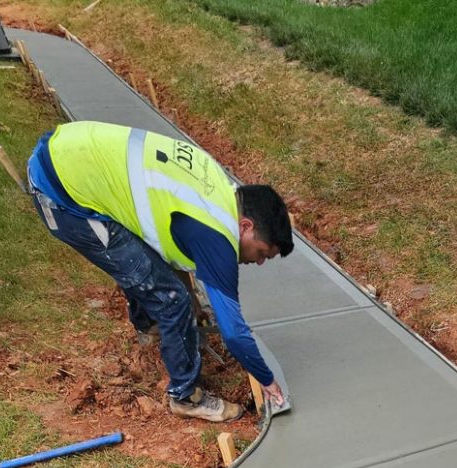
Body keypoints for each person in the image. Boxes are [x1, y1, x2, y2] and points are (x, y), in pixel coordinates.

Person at [26, 121, 294, 422]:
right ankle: (185, 396)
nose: (258, 262)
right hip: (64, 197)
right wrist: (269, 382)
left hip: (65, 150)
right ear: (245, 227)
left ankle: (151, 327)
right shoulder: (217, 237)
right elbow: (234, 332)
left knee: (154, 272)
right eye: (262, 253)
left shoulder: (218, 189)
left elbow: (167, 243)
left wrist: (193, 298)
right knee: (172, 299)